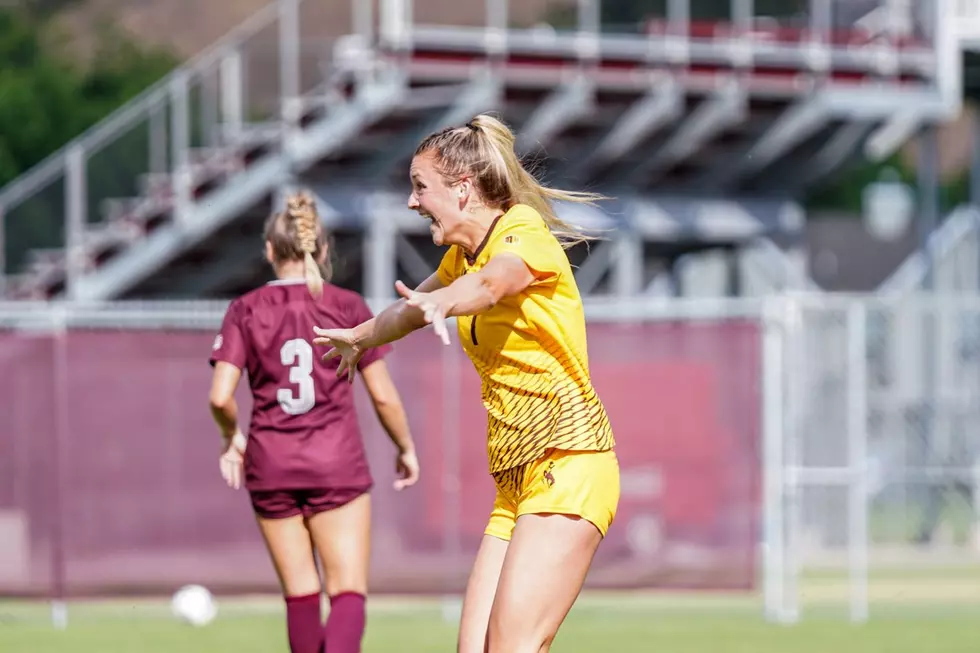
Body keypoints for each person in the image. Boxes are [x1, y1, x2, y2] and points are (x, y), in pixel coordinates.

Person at [312, 114, 619, 653]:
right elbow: (408, 313)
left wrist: (445, 301)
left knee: (510, 647)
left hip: (567, 460)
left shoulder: (521, 232)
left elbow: (495, 282)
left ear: (462, 188)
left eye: (419, 187)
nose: (412, 202)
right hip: (517, 482)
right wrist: (360, 337)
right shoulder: (461, 256)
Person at [208, 192, 419, 653]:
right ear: (322, 250)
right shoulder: (345, 306)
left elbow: (221, 396)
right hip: (335, 462)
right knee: (347, 591)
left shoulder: (244, 310)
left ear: (269, 251)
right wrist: (405, 447)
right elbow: (383, 396)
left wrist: (232, 438)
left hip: (270, 464)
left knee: (300, 595)